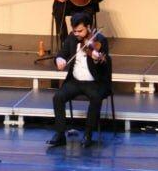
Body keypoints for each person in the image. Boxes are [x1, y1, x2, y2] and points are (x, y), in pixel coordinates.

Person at [47, 12, 112, 149]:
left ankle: (88, 134)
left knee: (96, 98)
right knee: (57, 97)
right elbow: (61, 53)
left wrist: (96, 59)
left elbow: (104, 64)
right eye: (74, 30)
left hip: (94, 82)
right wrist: (59, 60)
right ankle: (60, 135)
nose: (77, 34)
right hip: (75, 81)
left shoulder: (100, 40)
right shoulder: (71, 38)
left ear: (88, 27)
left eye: (80, 31)